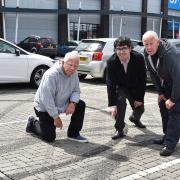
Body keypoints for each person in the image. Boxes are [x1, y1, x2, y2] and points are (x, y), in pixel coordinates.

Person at [25, 51, 88, 143]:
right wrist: (56, 117)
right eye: (70, 65)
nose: (72, 68)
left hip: (62, 103)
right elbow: (47, 100)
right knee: (49, 137)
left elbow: (76, 90)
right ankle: (32, 123)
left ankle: (73, 134)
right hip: (44, 108)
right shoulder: (51, 75)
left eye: (75, 66)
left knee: (81, 104)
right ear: (63, 62)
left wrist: (72, 103)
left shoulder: (74, 73)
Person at [142, 30, 180, 156]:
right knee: (164, 108)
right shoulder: (146, 54)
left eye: (151, 44)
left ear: (158, 43)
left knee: (175, 111)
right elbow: (153, 74)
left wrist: (173, 99)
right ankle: (167, 135)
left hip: (178, 82)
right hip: (168, 83)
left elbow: (178, 77)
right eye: (145, 44)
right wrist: (160, 92)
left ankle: (170, 144)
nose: (148, 47)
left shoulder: (169, 54)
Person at [106, 36, 147, 140]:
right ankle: (119, 129)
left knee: (139, 109)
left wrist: (138, 98)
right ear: (115, 50)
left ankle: (135, 119)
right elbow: (110, 83)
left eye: (124, 48)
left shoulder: (138, 58)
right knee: (119, 103)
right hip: (121, 87)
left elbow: (142, 80)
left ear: (130, 49)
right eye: (118, 49)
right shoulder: (111, 62)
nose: (121, 51)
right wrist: (112, 104)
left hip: (135, 87)